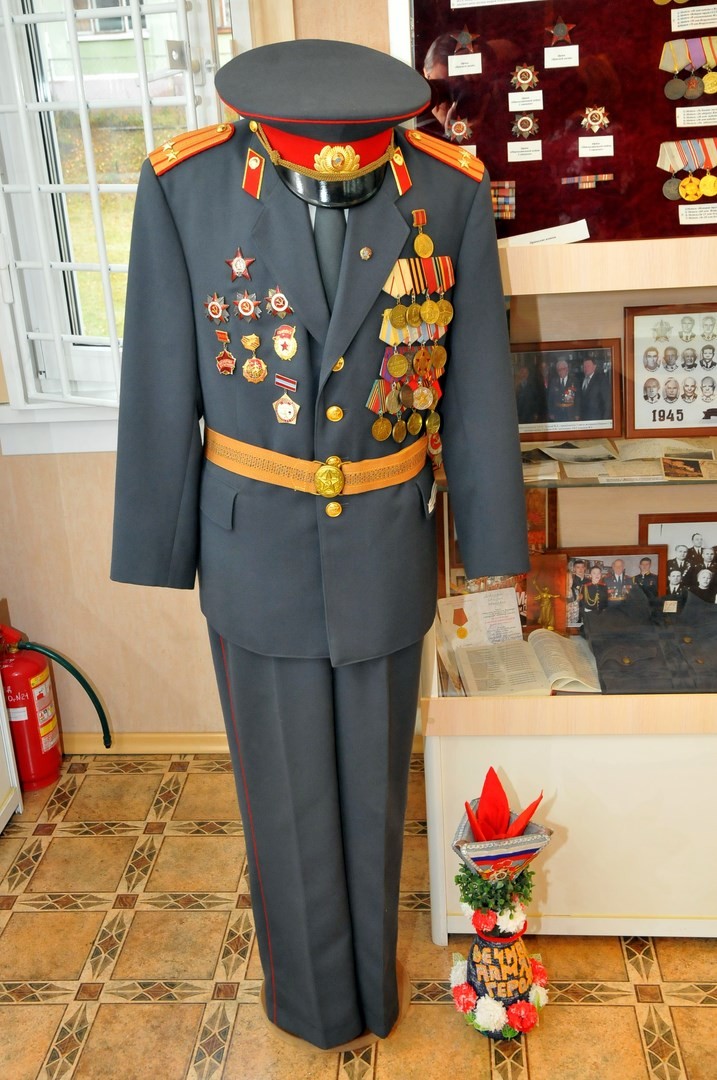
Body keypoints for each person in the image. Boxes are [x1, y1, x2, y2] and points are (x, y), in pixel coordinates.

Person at [110, 40, 528, 1051]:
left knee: (376, 788)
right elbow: (160, 372)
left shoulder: (446, 190)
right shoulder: (188, 186)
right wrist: (159, 539)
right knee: (283, 798)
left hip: (384, 540)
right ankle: (309, 1001)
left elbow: (476, 384)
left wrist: (492, 543)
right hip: (255, 548)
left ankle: (370, 992)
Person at [547, 356, 580, 422]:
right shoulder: (553, 381)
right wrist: (551, 412)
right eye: (559, 369)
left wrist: (577, 413)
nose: (561, 371)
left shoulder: (574, 381)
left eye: (563, 369)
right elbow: (550, 398)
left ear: (567, 369)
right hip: (557, 413)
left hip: (571, 413)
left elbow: (578, 398)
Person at [579, 354, 610, 420]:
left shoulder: (601, 379)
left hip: (597, 418)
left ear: (594, 367)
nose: (586, 368)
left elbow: (607, 402)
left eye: (588, 366)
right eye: (584, 366)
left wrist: (605, 420)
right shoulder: (581, 380)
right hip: (583, 419)